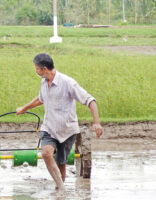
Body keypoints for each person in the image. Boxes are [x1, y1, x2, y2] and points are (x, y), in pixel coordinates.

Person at [16, 53, 103, 190]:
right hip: (49, 128)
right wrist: (25, 108)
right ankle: (61, 188)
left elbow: (90, 100)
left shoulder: (68, 83)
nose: (36, 71)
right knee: (45, 153)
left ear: (44, 69)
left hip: (67, 131)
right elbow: (41, 98)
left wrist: (96, 122)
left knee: (61, 164)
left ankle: (60, 192)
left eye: (36, 69)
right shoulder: (44, 82)